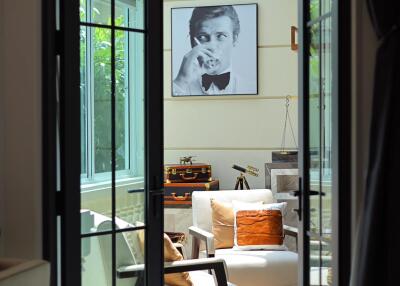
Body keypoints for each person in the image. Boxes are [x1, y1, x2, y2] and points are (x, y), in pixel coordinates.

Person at [173, 5, 254, 96]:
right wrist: (181, 81)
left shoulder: (249, 87)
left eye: (221, 36)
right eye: (202, 37)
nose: (212, 46)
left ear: (234, 39)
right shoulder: (177, 87)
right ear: (192, 41)